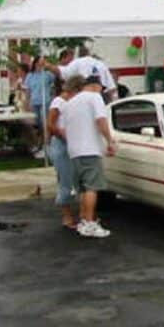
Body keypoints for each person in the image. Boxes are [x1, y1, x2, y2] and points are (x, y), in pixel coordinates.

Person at [62, 75, 117, 238]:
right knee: (92, 188)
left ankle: (84, 222)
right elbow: (101, 121)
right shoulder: (94, 98)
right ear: (96, 86)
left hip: (74, 151)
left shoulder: (70, 103)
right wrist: (109, 141)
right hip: (89, 149)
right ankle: (90, 223)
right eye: (101, 88)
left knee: (83, 189)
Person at [48, 76, 82, 229]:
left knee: (77, 179)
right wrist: (61, 133)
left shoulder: (74, 103)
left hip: (74, 143)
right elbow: (50, 124)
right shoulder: (58, 102)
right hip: (62, 144)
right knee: (65, 180)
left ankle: (80, 213)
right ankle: (67, 216)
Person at [24, 56, 56, 158]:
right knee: (35, 124)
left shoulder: (47, 75)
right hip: (34, 102)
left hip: (45, 101)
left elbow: (55, 82)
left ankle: (45, 146)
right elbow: (28, 90)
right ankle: (37, 143)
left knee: (44, 124)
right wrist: (27, 102)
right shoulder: (30, 75)